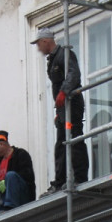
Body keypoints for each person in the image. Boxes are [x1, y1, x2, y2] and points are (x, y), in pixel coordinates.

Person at [31, 27, 90, 195]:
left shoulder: (64, 54)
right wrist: (59, 110)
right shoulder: (54, 59)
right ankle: (60, 181)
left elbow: (73, 74)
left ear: (45, 41)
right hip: (64, 107)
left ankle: (80, 178)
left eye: (38, 44)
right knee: (62, 143)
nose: (38, 48)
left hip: (72, 103)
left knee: (74, 139)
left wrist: (64, 92)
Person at [0, 130, 36, 220]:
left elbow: (27, 175)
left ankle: (10, 207)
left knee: (10, 175)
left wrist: (6, 182)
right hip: (3, 199)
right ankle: (6, 207)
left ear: (1, 144)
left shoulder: (20, 154)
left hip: (22, 196)